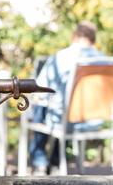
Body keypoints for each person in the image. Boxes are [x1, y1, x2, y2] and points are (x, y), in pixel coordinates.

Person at [29, 21, 104, 175]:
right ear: (93, 40)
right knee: (64, 111)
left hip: (65, 121)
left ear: (74, 36)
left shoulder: (61, 57)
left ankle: (39, 162)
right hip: (94, 121)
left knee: (42, 107)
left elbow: (40, 90)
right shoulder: (105, 61)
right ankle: (55, 162)